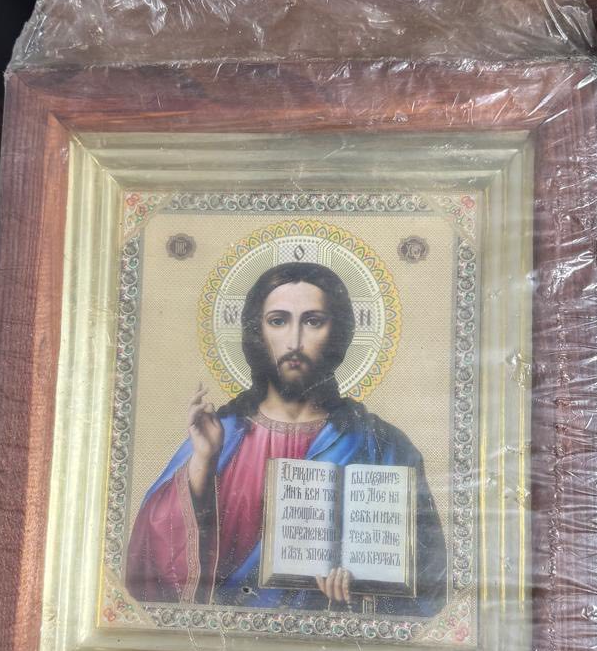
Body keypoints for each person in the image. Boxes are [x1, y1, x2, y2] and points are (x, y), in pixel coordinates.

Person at [127, 261, 446, 613]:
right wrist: (203, 464)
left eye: (313, 321)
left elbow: (427, 577)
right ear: (258, 331)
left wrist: (363, 590)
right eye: (278, 321)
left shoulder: (382, 444)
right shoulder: (221, 435)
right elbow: (152, 561)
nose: (294, 342)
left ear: (337, 332)